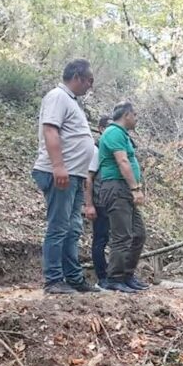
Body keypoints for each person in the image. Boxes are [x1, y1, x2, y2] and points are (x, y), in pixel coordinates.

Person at [32, 59, 100, 294]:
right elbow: (50, 129)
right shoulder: (57, 96)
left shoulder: (72, 102)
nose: (91, 85)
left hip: (75, 176)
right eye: (89, 80)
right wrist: (58, 166)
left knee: (72, 229)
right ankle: (53, 280)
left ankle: (73, 278)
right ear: (77, 77)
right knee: (59, 227)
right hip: (61, 173)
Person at [97, 102, 149, 293]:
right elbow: (122, 161)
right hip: (116, 188)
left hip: (125, 189)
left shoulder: (123, 135)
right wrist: (135, 188)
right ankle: (114, 278)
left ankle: (127, 275)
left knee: (138, 233)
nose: (136, 119)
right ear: (126, 115)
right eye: (134, 115)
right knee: (122, 235)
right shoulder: (113, 133)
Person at [84, 115, 112, 290]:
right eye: (108, 127)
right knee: (100, 240)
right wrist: (89, 204)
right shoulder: (96, 150)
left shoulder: (111, 149)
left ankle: (113, 275)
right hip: (100, 202)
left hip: (111, 201)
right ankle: (101, 277)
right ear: (101, 129)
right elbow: (88, 178)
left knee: (111, 239)